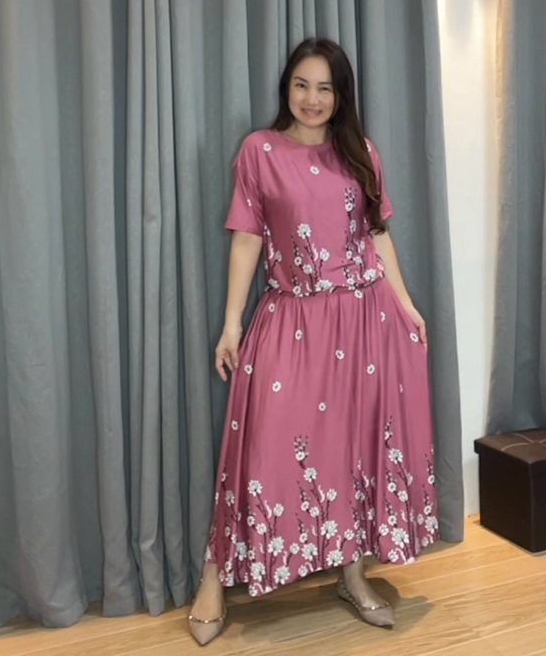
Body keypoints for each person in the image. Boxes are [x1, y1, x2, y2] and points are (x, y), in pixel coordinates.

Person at [187, 38, 437, 645]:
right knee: (259, 450)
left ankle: (352, 574)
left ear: (340, 95)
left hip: (365, 319)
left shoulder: (361, 153)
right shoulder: (260, 151)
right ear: (287, 88)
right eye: (302, 85)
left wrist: (406, 304)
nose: (312, 98)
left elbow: (377, 235)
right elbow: (247, 237)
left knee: (351, 449)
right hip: (292, 320)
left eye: (325, 88)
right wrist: (231, 323)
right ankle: (213, 579)